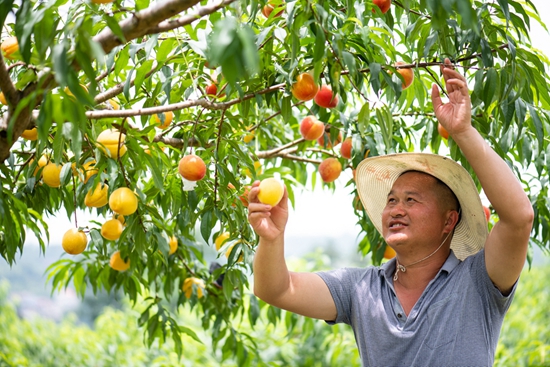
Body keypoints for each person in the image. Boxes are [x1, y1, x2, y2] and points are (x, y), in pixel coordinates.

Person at [247, 59, 534, 366]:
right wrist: (272, 238)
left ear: (449, 220)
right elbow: (276, 289)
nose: (396, 209)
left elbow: (519, 219)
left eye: (411, 200)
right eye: (392, 200)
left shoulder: (478, 281)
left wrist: (463, 131)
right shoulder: (361, 289)